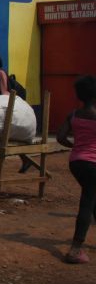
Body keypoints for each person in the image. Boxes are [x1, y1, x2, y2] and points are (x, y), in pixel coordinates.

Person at [56, 75, 96, 264]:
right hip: (93, 164)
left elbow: (60, 137)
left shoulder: (73, 115)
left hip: (76, 163)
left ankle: (77, 247)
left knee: (92, 197)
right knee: (88, 201)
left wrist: (76, 147)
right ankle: (75, 249)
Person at [0, 53, 33, 173]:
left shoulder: (0, 73)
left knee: (3, 135)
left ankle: (25, 159)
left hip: (0, 108)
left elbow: (4, 92)